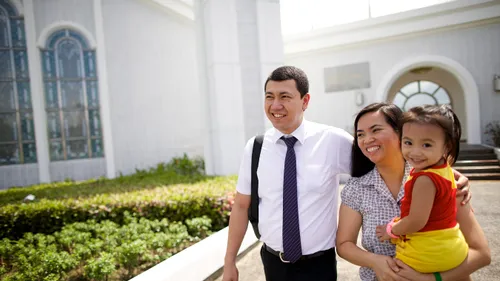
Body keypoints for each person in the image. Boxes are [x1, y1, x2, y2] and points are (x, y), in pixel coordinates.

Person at [222, 66, 353, 281]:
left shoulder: (332, 141)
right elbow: (241, 206)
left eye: (285, 96)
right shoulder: (255, 148)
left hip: (319, 267)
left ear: (305, 101)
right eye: (269, 97)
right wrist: (229, 261)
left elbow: (378, 171)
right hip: (274, 265)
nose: (275, 105)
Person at [336, 103, 491, 281]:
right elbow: (344, 244)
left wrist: (431, 278)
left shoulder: (443, 180)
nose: (366, 139)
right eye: (360, 134)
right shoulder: (356, 188)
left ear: (400, 133)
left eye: (376, 130)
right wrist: (374, 261)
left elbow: (481, 254)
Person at [375, 105, 468, 273]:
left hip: (427, 255)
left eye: (426, 145)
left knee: (392, 272)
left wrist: (391, 230)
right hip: (452, 246)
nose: (415, 152)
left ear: (447, 146)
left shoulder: (424, 180)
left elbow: (416, 221)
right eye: (408, 142)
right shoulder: (443, 167)